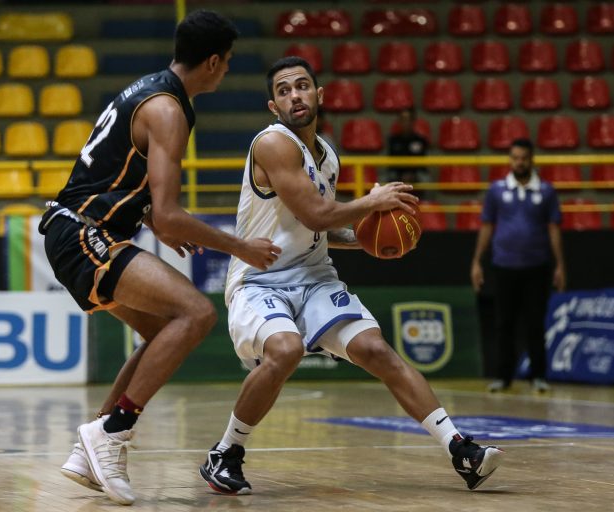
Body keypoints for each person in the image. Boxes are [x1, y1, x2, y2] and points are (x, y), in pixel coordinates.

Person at [198, 56, 504, 496]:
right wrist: (372, 202)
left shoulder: (327, 156)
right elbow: (316, 213)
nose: (294, 95)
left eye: (302, 86)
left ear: (319, 95)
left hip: (314, 276)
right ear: (273, 106)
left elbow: (318, 229)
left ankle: (461, 451)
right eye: (283, 91)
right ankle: (226, 452)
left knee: (376, 350)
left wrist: (371, 242)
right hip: (260, 279)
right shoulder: (272, 143)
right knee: (285, 349)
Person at [43, 11, 281, 505]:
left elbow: (122, 178)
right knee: (197, 313)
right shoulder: (169, 110)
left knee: (162, 333)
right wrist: (241, 247)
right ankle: (113, 431)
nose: (227, 70)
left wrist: (151, 218)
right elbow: (172, 213)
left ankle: (90, 449)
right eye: (227, 61)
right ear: (212, 62)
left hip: (75, 230)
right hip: (85, 233)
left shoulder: (150, 91)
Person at [470, 138, 566, 393]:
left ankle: (538, 376)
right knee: (504, 323)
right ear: (510, 160)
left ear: (531, 159)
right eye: (515, 158)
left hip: (537, 266)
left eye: (523, 158)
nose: (519, 162)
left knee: (535, 322)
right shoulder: (496, 190)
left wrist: (560, 265)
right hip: (504, 265)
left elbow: (554, 229)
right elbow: (487, 226)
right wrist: (477, 261)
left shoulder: (546, 191)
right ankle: (504, 377)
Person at [387, 107, 429, 191]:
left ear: (413, 121)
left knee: (427, 180)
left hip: (416, 173)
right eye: (403, 119)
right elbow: (391, 162)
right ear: (399, 121)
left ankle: (429, 200)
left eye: (409, 119)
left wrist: (412, 174)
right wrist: (402, 174)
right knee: (384, 179)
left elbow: (422, 162)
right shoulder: (393, 140)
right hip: (397, 173)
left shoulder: (420, 140)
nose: (406, 123)